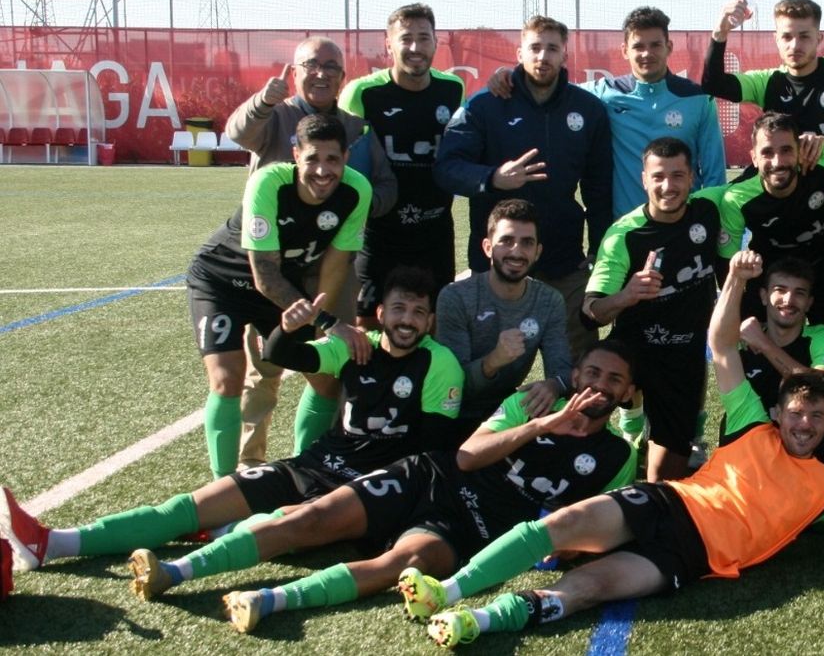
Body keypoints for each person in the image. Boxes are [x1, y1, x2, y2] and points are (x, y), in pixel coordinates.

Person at [398, 250, 824, 648]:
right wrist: (736, 280)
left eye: (816, 417)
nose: (804, 425)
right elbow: (720, 344)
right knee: (555, 526)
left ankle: (480, 621)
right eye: (797, 414)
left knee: (589, 589)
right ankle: (448, 589)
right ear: (778, 413)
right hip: (668, 502)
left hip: (691, 557)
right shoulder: (751, 425)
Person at [0, 268, 464, 584]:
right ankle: (51, 542)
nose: (408, 321)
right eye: (399, 309)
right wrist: (288, 327)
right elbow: (283, 355)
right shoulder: (357, 345)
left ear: (431, 320)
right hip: (313, 465)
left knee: (276, 524)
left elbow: (431, 449)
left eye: (418, 312)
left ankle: (182, 566)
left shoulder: (439, 364)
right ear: (380, 314)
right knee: (187, 506)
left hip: (363, 487)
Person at [157, 342, 636, 633]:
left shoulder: (619, 456)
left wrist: (563, 550)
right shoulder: (531, 403)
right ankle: (177, 571)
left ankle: (270, 600)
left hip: (471, 526)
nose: (600, 385)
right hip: (430, 478)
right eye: (592, 373)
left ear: (626, 394)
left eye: (614, 380)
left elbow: (585, 524)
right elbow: (468, 456)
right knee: (313, 518)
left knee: (402, 565)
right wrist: (541, 426)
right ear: (575, 375)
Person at [224, 36, 400, 471]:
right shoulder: (277, 114)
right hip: (273, 267)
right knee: (264, 368)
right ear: (295, 71)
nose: (320, 73)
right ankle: (249, 467)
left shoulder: (357, 128)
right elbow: (237, 133)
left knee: (330, 366)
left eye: (330, 67)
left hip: (332, 267)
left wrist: (345, 207)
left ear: (343, 77)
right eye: (311, 65)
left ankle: (316, 461)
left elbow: (387, 186)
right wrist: (263, 100)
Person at [186, 114, 374, 479]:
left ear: (346, 157)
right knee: (227, 378)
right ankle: (222, 487)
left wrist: (325, 330)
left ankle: (306, 474)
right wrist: (329, 323)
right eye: (312, 160)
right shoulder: (268, 182)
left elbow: (334, 267)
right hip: (223, 282)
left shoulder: (357, 191)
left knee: (325, 380)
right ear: (295, 156)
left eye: (332, 160)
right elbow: (265, 276)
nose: (323, 171)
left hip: (282, 293)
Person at [435, 16, 612, 356]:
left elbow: (598, 187)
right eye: (535, 47)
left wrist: (599, 247)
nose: (543, 57)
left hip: (563, 258)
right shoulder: (485, 105)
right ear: (519, 52)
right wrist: (493, 177)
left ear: (565, 56)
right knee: (486, 364)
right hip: (496, 263)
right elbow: (447, 168)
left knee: (576, 364)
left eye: (552, 49)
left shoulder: (588, 110)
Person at [583, 138, 726, 481]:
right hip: (634, 353)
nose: (668, 186)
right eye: (658, 176)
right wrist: (627, 295)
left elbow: (761, 178)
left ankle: (653, 442)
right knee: (587, 429)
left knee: (664, 480)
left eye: (678, 176)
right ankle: (627, 424)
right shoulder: (624, 236)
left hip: (684, 358)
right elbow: (590, 311)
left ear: (692, 178)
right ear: (644, 179)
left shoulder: (709, 209)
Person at [338, 3, 466, 323]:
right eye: (405, 38)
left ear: (436, 43)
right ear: (388, 43)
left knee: (433, 323)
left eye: (424, 38)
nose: (415, 48)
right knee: (366, 324)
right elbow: (341, 160)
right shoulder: (362, 93)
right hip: (378, 233)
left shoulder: (453, 89)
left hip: (434, 231)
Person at [435, 200, 573, 424]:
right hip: (450, 412)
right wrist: (492, 361)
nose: (516, 251)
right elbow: (452, 386)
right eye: (506, 241)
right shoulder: (455, 297)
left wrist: (553, 386)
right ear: (488, 247)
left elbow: (563, 371)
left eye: (527, 243)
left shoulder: (549, 300)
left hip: (506, 410)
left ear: (537, 252)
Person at [582, 7, 726, 219]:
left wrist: (710, 223)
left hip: (684, 230)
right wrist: (514, 77)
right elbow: (556, 88)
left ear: (669, 47)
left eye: (655, 45)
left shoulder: (699, 99)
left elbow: (714, 175)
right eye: (638, 46)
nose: (647, 54)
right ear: (624, 50)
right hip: (627, 231)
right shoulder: (606, 93)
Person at [719, 112, 824, 336]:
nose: (777, 162)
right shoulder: (736, 199)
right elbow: (727, 269)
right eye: (767, 152)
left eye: (786, 150)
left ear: (800, 149)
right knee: (758, 347)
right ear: (753, 157)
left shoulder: (823, 160)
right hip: (772, 271)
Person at [704, 0, 824, 137]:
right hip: (782, 166)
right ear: (776, 39)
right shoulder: (767, 82)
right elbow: (714, 85)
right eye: (787, 37)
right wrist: (720, 33)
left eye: (804, 36)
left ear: (819, 38)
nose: (795, 45)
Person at [735, 256, 824, 415]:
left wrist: (764, 344)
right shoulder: (742, 339)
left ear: (809, 303)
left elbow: (822, 386)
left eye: (799, 293)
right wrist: (735, 277)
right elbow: (717, 338)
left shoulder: (822, 337)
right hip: (750, 437)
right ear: (764, 296)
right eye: (780, 290)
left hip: (801, 437)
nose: (789, 300)